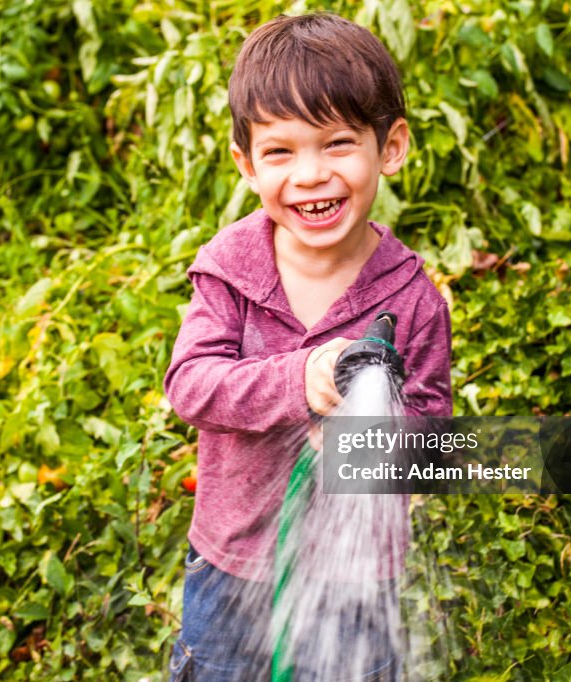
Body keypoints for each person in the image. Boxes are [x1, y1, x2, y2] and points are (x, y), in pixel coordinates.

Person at [163, 11, 452, 681]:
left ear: (392, 147)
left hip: (353, 583)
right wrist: (300, 382)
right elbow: (192, 385)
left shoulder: (411, 299)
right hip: (233, 571)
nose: (312, 174)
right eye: (282, 151)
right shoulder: (231, 269)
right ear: (246, 163)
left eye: (339, 143)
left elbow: (434, 437)